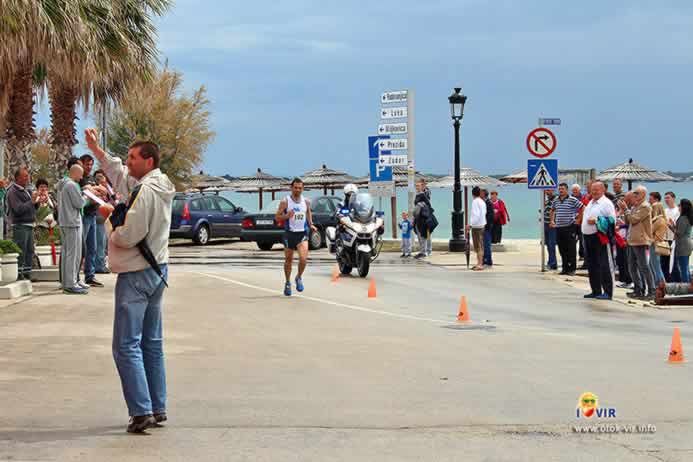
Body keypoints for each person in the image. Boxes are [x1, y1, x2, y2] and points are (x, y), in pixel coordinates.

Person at [85, 128, 176, 434]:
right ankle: (156, 405)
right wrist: (97, 150)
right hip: (157, 271)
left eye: (133, 157)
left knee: (126, 345)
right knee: (151, 342)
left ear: (148, 161)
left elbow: (129, 235)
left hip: (137, 273)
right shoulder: (158, 186)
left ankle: (141, 411)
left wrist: (109, 218)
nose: (128, 162)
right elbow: (120, 174)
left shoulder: (146, 192)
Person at [276, 178, 317, 297]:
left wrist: (311, 224)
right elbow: (277, 217)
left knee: (303, 259)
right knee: (288, 260)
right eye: (296, 187)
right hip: (289, 234)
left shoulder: (306, 201)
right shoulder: (285, 201)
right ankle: (288, 282)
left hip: (302, 234)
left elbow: (308, 212)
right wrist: (286, 216)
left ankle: (298, 277)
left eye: (300, 188)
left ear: (303, 188)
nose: (298, 190)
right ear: (291, 188)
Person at [57, 160, 89, 295]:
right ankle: (71, 284)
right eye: (80, 175)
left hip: (65, 221)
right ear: (74, 173)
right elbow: (80, 203)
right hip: (72, 222)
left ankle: (67, 282)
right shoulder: (71, 185)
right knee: (72, 254)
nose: (81, 178)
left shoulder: (63, 184)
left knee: (66, 253)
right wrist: (86, 195)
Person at [619, 185, 655, 300]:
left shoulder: (645, 206)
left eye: (637, 193)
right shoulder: (636, 206)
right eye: (634, 193)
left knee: (644, 266)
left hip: (640, 240)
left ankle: (652, 290)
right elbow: (628, 221)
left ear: (643, 195)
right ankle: (638, 289)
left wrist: (625, 210)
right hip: (632, 240)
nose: (634, 195)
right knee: (632, 266)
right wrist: (625, 211)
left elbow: (634, 220)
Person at [582, 181, 616, 300]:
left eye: (596, 189)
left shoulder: (606, 203)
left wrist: (597, 220)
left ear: (603, 190)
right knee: (592, 265)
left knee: (604, 264)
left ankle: (608, 292)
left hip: (600, 237)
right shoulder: (591, 202)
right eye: (592, 189)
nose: (594, 192)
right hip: (588, 237)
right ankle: (596, 290)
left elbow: (612, 220)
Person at [6, 167, 37, 280]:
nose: (27, 178)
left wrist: (37, 202)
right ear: (18, 178)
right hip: (20, 225)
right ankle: (19, 273)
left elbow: (31, 206)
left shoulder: (26, 190)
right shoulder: (12, 191)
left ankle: (27, 273)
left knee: (29, 250)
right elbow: (18, 209)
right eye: (25, 176)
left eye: (27, 176)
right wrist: (31, 202)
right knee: (21, 249)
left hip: (29, 224)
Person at [79, 154, 104, 288]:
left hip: (93, 215)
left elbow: (102, 192)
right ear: (81, 164)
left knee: (92, 248)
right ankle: (75, 276)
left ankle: (90, 276)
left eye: (90, 164)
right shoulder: (80, 178)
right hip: (84, 216)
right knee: (81, 248)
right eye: (86, 164)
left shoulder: (91, 179)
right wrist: (94, 192)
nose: (89, 167)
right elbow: (88, 192)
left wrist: (96, 191)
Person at [550, 183, 584, 275]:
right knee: (562, 249)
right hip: (559, 228)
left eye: (563, 189)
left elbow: (582, 207)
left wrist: (579, 219)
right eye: (559, 189)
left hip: (570, 227)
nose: (561, 190)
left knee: (571, 249)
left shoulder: (572, 199)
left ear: (567, 190)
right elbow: (552, 210)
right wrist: (552, 221)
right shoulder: (556, 200)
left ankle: (572, 269)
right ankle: (565, 268)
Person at [93, 169, 115, 274]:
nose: (101, 179)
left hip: (105, 219)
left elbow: (113, 199)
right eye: (99, 177)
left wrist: (107, 187)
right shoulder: (95, 189)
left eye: (102, 177)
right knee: (100, 244)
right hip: (98, 218)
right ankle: (99, 266)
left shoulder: (107, 189)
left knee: (104, 243)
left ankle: (101, 264)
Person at [670, 199, 692, 283]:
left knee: (683, 268)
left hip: (683, 245)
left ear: (684, 207)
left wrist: (670, 226)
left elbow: (679, 233)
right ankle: (689, 286)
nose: (678, 206)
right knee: (685, 267)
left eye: (680, 205)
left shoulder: (683, 218)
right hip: (686, 244)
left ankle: (686, 288)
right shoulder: (687, 217)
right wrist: (674, 226)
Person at [662, 191, 681, 282]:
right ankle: (668, 282)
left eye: (668, 198)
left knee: (673, 264)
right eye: (665, 198)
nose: (666, 200)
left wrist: (671, 224)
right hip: (665, 239)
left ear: (673, 198)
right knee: (664, 264)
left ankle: (675, 282)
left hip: (673, 240)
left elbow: (678, 226)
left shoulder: (677, 211)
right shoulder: (665, 211)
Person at [467, 186, 486, 271]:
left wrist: (470, 225)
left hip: (477, 226)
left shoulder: (475, 202)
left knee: (478, 246)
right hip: (482, 225)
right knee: (480, 245)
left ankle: (479, 264)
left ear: (472, 194)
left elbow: (476, 215)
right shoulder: (482, 201)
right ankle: (480, 263)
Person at [413, 179, 433, 259]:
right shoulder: (419, 194)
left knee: (424, 234)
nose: (416, 187)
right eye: (416, 185)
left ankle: (425, 252)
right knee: (421, 234)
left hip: (423, 218)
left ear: (422, 186)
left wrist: (419, 207)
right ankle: (423, 251)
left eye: (418, 185)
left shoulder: (424, 194)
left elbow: (427, 204)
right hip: (419, 217)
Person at [649, 202, 667, 287]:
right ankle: (660, 284)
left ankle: (660, 284)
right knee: (655, 265)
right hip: (657, 244)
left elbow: (650, 230)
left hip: (654, 244)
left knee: (656, 266)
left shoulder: (658, 220)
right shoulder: (663, 219)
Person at [544, 189, 558, 270]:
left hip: (551, 225)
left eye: (548, 190)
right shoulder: (547, 200)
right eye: (546, 190)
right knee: (548, 245)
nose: (547, 192)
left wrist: (552, 221)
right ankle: (550, 261)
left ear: (553, 190)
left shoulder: (555, 199)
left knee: (551, 244)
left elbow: (555, 211)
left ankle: (553, 263)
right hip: (545, 224)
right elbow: (547, 211)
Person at [481, 189, 494, 267]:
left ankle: (487, 260)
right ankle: (486, 259)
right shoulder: (486, 202)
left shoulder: (488, 203)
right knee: (485, 244)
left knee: (486, 244)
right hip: (486, 226)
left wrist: (486, 225)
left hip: (486, 227)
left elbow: (489, 216)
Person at [571, 184, 585, 261]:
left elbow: (583, 207)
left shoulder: (583, 197)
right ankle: (572, 254)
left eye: (576, 190)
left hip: (581, 221)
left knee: (581, 239)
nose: (575, 191)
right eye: (573, 190)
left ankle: (582, 255)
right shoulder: (570, 198)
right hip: (572, 221)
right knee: (572, 239)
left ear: (579, 190)